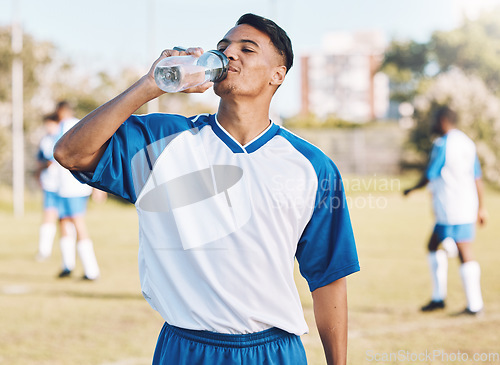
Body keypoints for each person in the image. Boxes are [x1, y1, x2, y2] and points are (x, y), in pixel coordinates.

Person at [54, 14, 359, 364]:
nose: (230, 54)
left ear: (278, 74)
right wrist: (150, 85)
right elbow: (70, 153)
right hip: (186, 348)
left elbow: (329, 277)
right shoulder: (162, 140)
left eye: (247, 48)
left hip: (275, 351)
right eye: (223, 47)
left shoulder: (312, 166)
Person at [404, 106, 487, 315]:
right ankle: (438, 297)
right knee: (433, 244)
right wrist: (482, 207)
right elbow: (477, 176)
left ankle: (474, 304)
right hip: (464, 205)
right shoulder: (467, 142)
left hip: (451, 207)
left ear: (443, 120)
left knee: (463, 250)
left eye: (435, 120)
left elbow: (430, 173)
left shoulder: (444, 144)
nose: (433, 124)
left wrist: (411, 189)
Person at [54, 101, 100, 281]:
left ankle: (91, 270)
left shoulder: (71, 126)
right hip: (63, 187)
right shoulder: (70, 125)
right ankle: (68, 265)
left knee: (78, 224)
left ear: (61, 111)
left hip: (73, 187)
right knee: (63, 221)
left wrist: (96, 186)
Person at [35, 113, 62, 261]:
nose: (48, 127)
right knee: (48, 216)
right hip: (50, 185)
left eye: (50, 124)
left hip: (65, 186)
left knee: (67, 219)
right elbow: (40, 160)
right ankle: (44, 251)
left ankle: (68, 256)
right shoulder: (45, 140)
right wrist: (38, 173)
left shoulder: (63, 137)